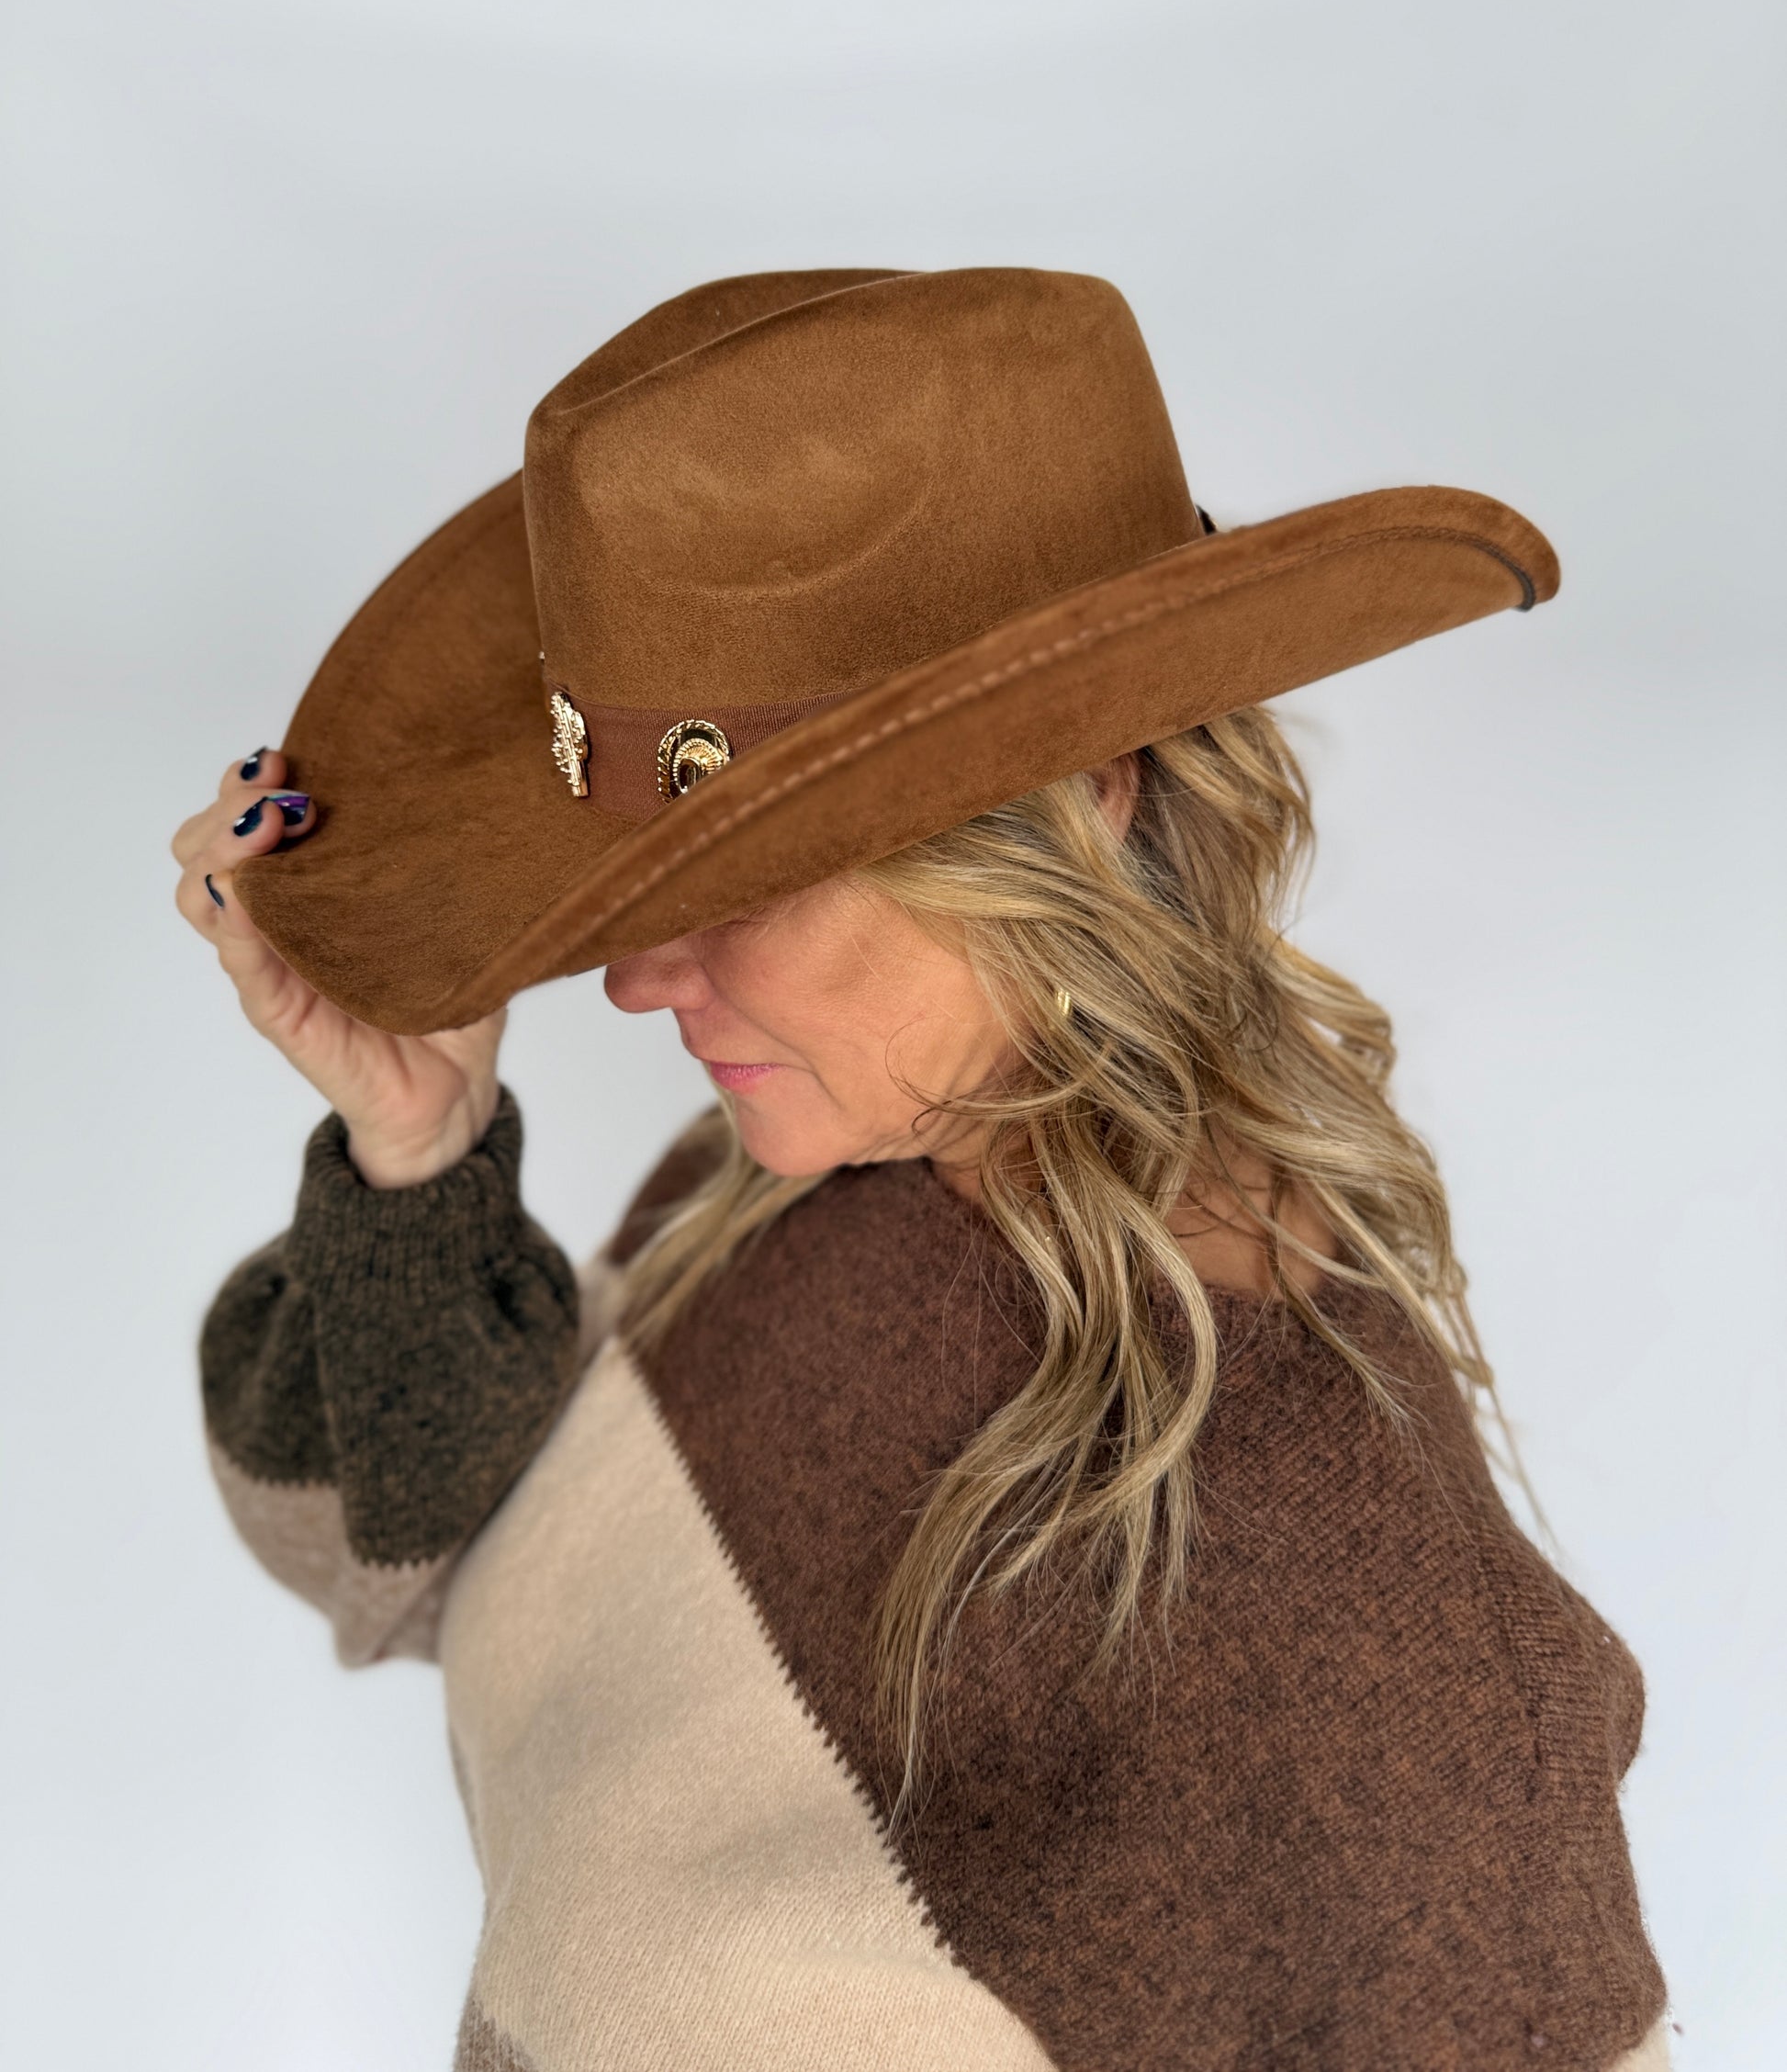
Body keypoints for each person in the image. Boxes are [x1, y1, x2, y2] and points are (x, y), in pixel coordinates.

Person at [175, 269, 1669, 2071]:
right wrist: (412, 1166)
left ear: (1087, 791)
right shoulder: (786, 1179)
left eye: (741, 876)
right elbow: (381, 1562)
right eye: (631, 887)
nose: (640, 979)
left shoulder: (1356, 1639)